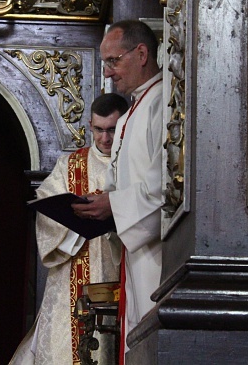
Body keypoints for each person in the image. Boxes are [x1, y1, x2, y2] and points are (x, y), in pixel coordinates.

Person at [9, 93, 129, 365]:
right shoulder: (71, 165)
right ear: (90, 125)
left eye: (112, 130)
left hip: (118, 267)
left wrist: (112, 216)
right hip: (70, 275)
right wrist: (77, 224)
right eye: (98, 130)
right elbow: (46, 208)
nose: (105, 139)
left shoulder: (135, 163)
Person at [72, 20, 164, 362]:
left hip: (158, 252)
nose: (108, 73)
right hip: (135, 247)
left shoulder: (165, 102)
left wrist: (114, 205)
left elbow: (170, 182)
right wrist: (101, 203)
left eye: (114, 61)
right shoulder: (129, 115)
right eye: (105, 63)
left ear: (141, 54)